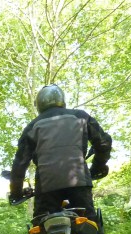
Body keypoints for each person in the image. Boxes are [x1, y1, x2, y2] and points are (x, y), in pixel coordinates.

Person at [8, 84, 112, 222]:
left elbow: (19, 165)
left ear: (39, 104)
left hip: (46, 189)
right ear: (62, 100)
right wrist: (97, 167)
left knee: (41, 229)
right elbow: (104, 143)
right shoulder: (81, 117)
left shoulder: (32, 126)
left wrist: (16, 192)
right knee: (92, 228)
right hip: (79, 183)